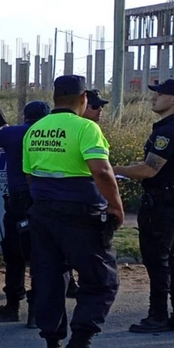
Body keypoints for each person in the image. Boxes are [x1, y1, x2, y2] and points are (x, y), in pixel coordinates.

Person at [23, 75, 124, 348]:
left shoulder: (34, 130)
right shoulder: (86, 128)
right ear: (83, 99)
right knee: (102, 280)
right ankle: (79, 347)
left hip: (42, 213)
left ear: (55, 97)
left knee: (50, 280)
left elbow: (30, 176)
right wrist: (116, 206)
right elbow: (102, 171)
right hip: (80, 214)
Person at [114, 79, 174, 334]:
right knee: (170, 259)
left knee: (157, 260)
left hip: (163, 203)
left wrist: (113, 170)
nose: (153, 98)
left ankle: (158, 315)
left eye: (159, 94)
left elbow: (149, 169)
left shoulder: (167, 131)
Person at [0, 101, 51, 328]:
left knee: (15, 255)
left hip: (19, 203)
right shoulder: (54, 136)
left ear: (24, 116)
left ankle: (12, 305)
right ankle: (36, 311)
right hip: (45, 202)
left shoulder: (13, 133)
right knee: (42, 256)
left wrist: (2, 131)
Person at [64, 89, 112, 299]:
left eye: (101, 106)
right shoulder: (85, 129)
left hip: (62, 203)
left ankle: (71, 284)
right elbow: (100, 171)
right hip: (81, 204)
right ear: (82, 105)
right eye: (94, 106)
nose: (99, 110)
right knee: (87, 255)